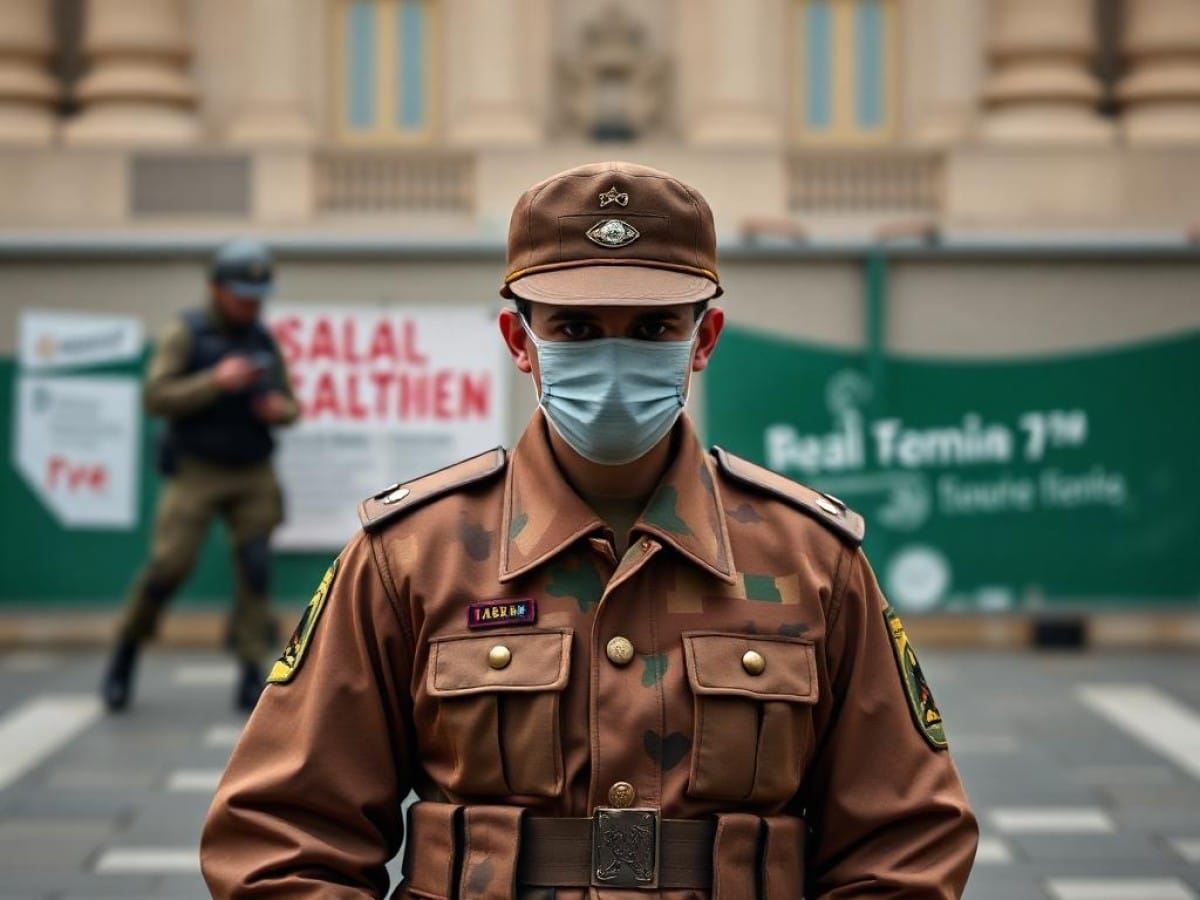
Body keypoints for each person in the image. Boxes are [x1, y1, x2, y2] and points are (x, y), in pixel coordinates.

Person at [201, 162, 978, 897]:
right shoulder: (411, 555)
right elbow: (283, 835)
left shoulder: (811, 559)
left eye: (652, 328)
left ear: (703, 340)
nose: (613, 359)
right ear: (519, 341)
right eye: (574, 328)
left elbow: (904, 842)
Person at [101, 238, 300, 713]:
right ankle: (126, 649)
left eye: (257, 298)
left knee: (255, 568)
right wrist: (216, 381)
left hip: (252, 469)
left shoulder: (262, 339)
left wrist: (278, 410)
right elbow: (155, 396)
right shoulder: (186, 334)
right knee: (169, 565)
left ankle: (250, 669)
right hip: (197, 469)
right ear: (216, 289)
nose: (251, 306)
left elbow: (292, 405)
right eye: (242, 296)